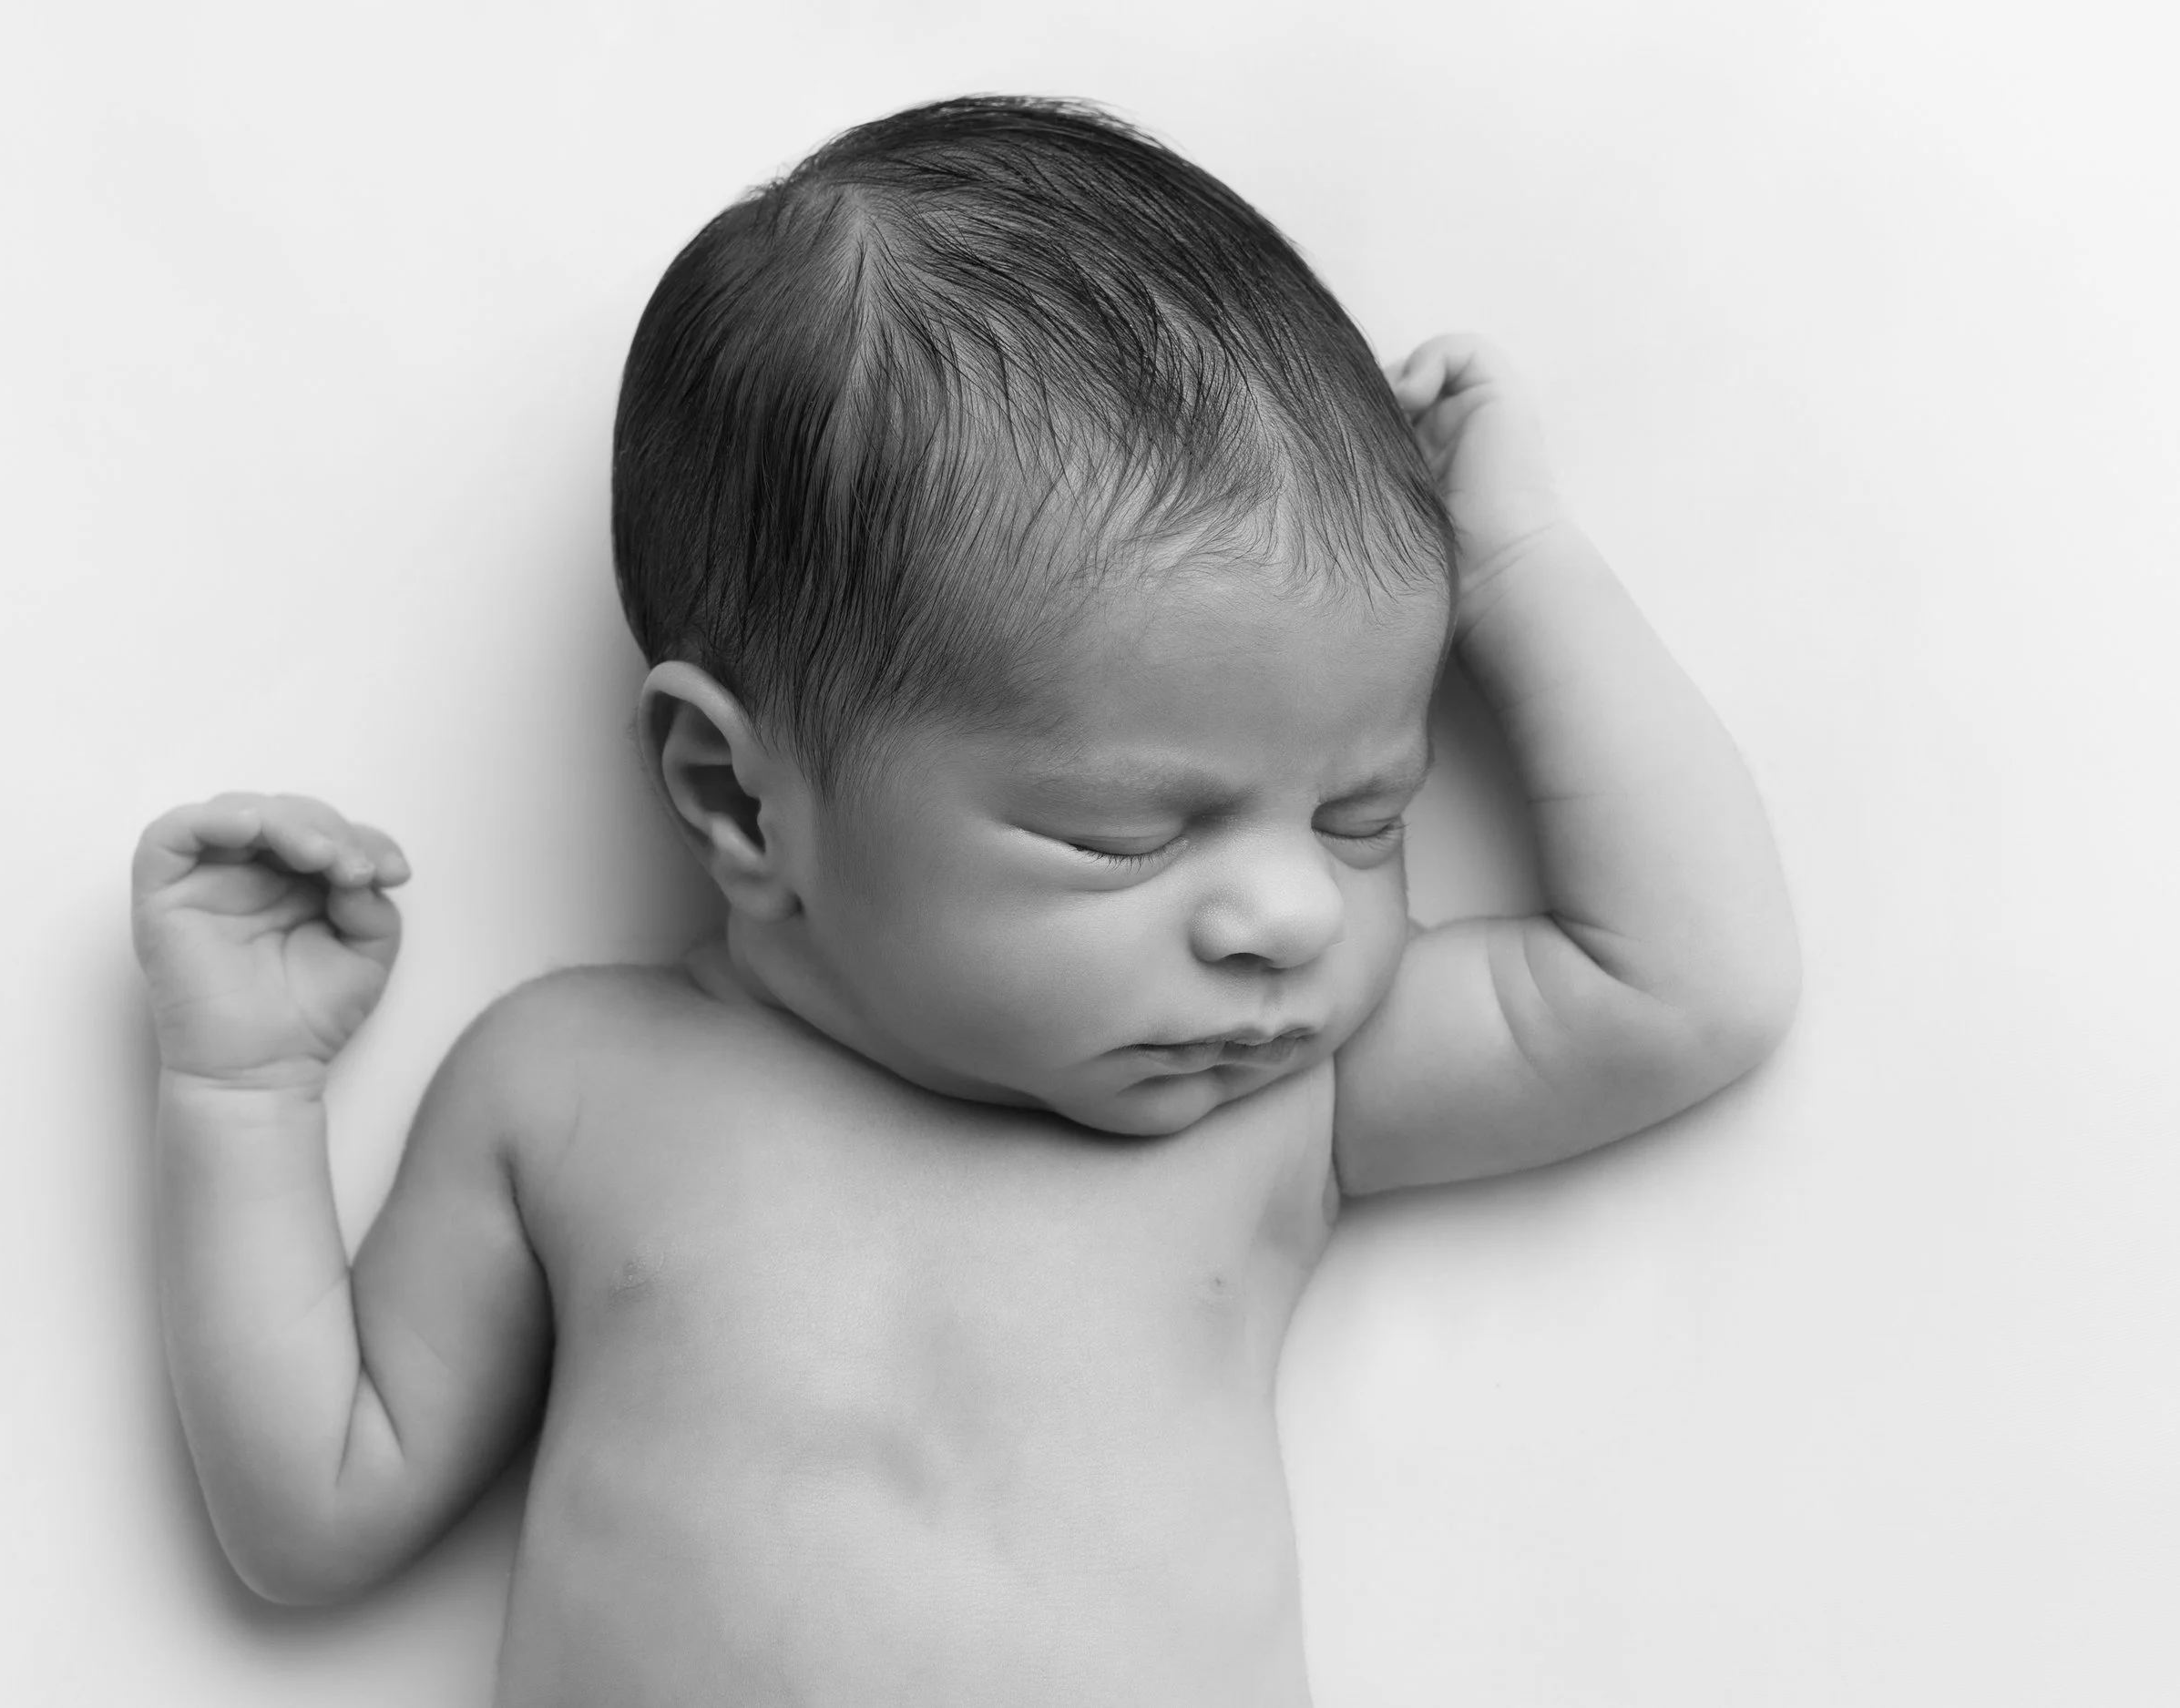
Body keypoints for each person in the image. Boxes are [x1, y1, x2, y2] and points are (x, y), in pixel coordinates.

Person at [130, 95, 1798, 1705]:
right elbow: (317, 1504)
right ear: (735, 796)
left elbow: (1688, 986)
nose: (1290, 913)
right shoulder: (565, 1086)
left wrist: (1516, 567)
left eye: (1369, 812)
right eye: (1128, 835)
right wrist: (241, 1092)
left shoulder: (1276, 1090)